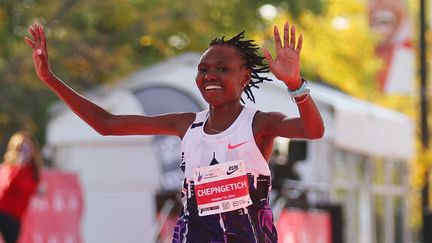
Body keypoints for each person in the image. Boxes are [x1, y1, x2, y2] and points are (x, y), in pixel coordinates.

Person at [25, 21, 324, 242]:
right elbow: (107, 124)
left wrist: (296, 85)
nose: (210, 76)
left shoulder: (258, 123)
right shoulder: (186, 124)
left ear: (246, 77)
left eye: (222, 69)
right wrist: (50, 79)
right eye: (203, 69)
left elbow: (313, 130)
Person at [0, 131, 42, 243]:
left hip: (16, 216)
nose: (26, 150)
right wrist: (18, 167)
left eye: (28, 146)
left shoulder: (33, 170)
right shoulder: (10, 166)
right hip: (3, 212)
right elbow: (6, 186)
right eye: (22, 147)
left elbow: (30, 187)